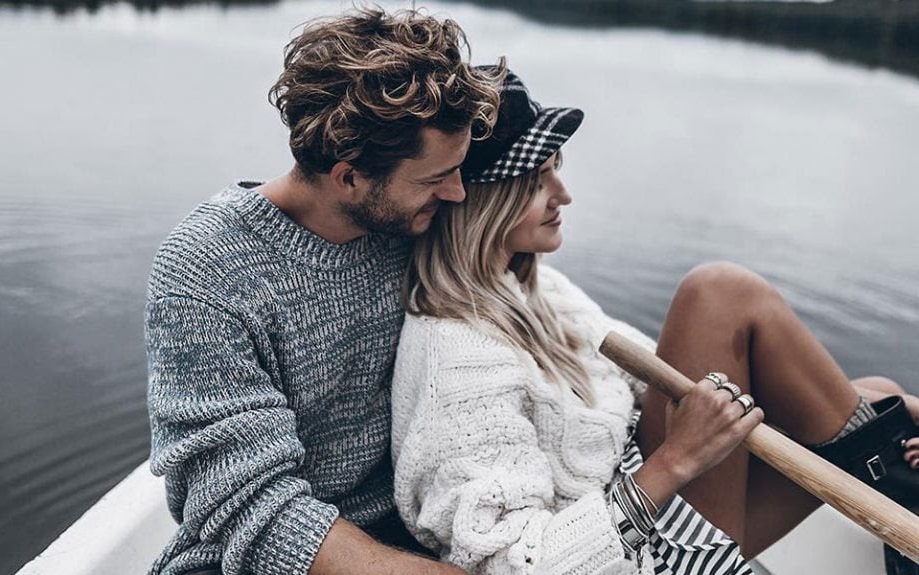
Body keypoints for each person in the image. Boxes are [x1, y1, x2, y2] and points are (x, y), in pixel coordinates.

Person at [390, 69, 919, 574]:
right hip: (633, 555)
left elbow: (665, 386)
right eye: (537, 181)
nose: (563, 195)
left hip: (652, 503)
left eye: (557, 169)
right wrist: (676, 460)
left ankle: (896, 479)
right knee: (717, 294)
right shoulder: (456, 359)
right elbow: (512, 566)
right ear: (484, 201)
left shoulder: (536, 289)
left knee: (881, 394)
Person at [144, 9, 506, 575]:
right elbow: (249, 509)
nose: (458, 193)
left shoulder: (409, 223)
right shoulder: (204, 272)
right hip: (250, 554)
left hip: (404, 525)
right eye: (437, 179)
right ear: (349, 178)